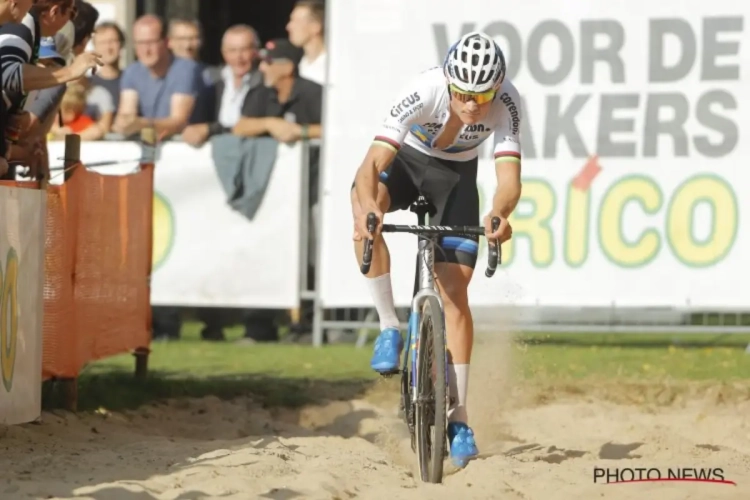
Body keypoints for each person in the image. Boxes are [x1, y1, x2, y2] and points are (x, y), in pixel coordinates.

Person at [350, 32, 522, 467]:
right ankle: (390, 325)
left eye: (482, 97)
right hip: (409, 161)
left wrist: (500, 213)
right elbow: (373, 163)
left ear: (497, 88)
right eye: (463, 94)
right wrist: (370, 206)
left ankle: (459, 416)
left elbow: (508, 181)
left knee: (454, 294)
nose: (470, 105)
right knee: (364, 212)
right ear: (449, 82)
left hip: (457, 179)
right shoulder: (424, 90)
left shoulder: (509, 103)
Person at [112, 14, 201, 140]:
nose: (146, 50)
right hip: (147, 147)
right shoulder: (132, 72)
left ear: (166, 42)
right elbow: (126, 113)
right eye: (140, 43)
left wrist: (141, 124)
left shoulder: (185, 69)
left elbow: (179, 122)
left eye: (151, 42)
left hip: (182, 150)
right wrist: (124, 123)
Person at [286, 0, 325, 85]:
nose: (288, 27)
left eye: (296, 21)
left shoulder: (333, 67)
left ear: (316, 26)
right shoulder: (301, 65)